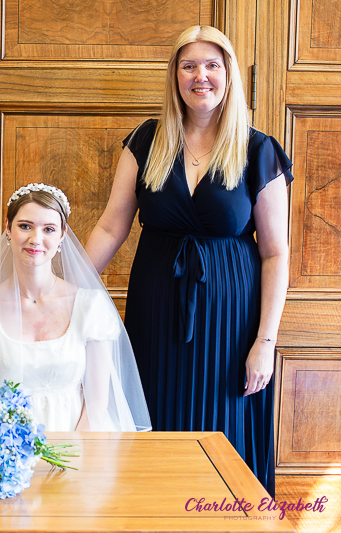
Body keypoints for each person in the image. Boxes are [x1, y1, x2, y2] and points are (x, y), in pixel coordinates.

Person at [84, 26, 292, 495]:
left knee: (225, 428)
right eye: (189, 65)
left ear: (229, 74)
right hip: (155, 310)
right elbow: (111, 228)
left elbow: (276, 253)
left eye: (212, 65)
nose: (201, 76)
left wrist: (265, 341)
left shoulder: (258, 150)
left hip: (232, 324)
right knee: (153, 415)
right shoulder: (147, 140)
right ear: (175, 75)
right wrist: (56, 286)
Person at [0, 183, 151, 432]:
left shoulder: (90, 307)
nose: (36, 239)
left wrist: (71, 459)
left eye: (49, 229)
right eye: (25, 226)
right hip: (6, 449)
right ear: (7, 229)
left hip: (82, 443)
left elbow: (97, 406)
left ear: (62, 235)